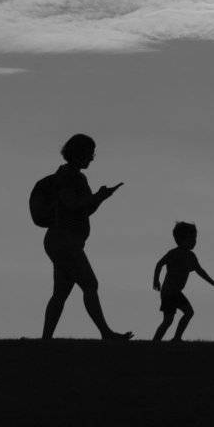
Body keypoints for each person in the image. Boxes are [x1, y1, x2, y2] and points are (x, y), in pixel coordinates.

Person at [40, 133, 132, 340]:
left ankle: (46, 339)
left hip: (65, 241)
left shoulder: (75, 176)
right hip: (64, 241)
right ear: (78, 153)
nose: (92, 158)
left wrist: (100, 198)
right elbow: (72, 204)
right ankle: (105, 333)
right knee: (90, 284)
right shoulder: (67, 177)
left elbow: (85, 210)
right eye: (90, 153)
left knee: (61, 292)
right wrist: (97, 196)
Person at [151, 221, 214, 341]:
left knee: (188, 313)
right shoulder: (174, 253)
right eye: (191, 238)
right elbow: (159, 264)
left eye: (195, 238)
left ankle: (176, 338)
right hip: (168, 292)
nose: (194, 241)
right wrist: (156, 281)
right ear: (181, 239)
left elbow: (200, 271)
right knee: (168, 320)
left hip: (176, 292)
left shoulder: (191, 256)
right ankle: (156, 342)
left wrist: (213, 283)